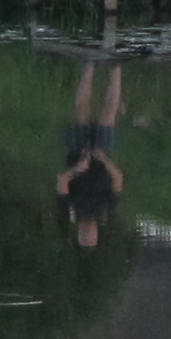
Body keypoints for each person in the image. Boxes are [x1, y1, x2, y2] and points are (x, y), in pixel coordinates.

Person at [53, 54, 125, 250]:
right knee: (108, 115)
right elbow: (118, 180)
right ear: (96, 234)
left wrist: (78, 168)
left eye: (83, 235)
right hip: (102, 157)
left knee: (82, 112)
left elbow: (61, 181)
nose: (86, 232)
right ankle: (116, 67)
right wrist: (104, 160)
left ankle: (89, 64)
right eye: (89, 235)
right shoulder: (106, 213)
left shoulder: (69, 212)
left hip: (77, 153)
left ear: (78, 233)